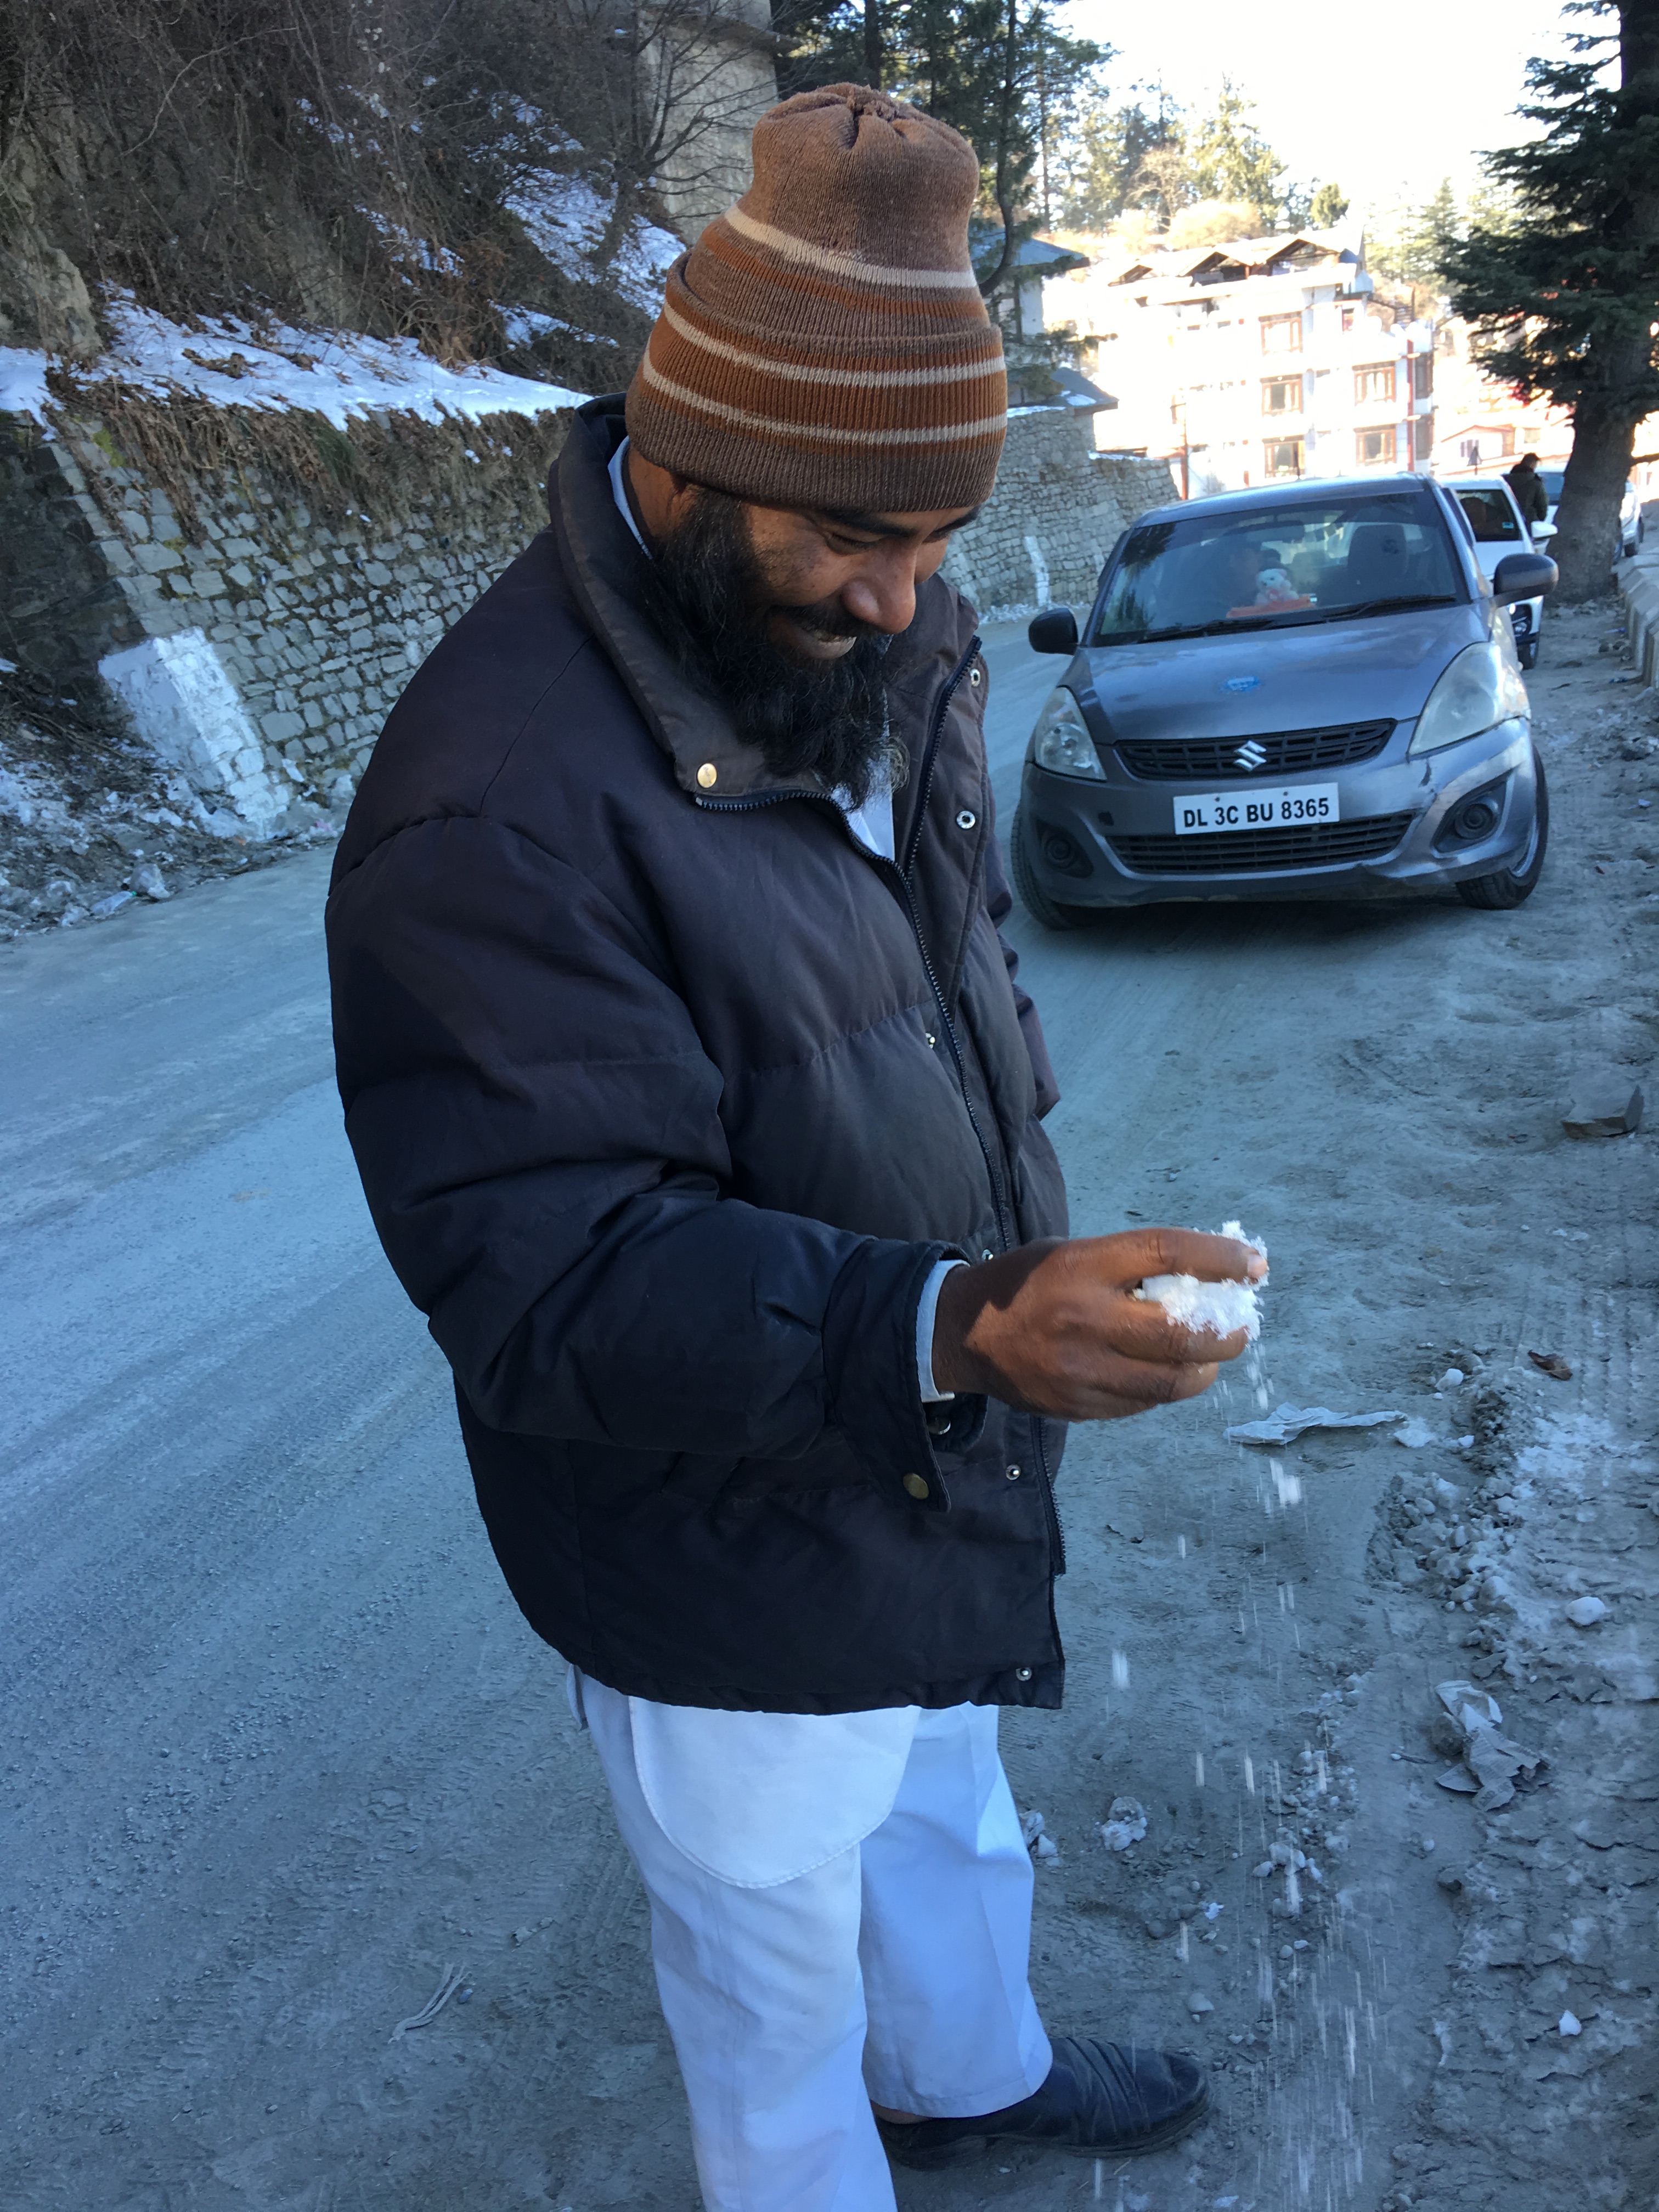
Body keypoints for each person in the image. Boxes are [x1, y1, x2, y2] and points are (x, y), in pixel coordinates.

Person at [326, 83, 1263, 2212]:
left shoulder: (876, 620)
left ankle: (970, 2075)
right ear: (686, 460)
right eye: (856, 539)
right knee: (767, 1965)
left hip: (918, 1428)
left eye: (936, 539)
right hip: (712, 1525)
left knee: (943, 1809)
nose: (904, 600)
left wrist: (1003, 1155)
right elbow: (551, 1282)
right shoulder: (494, 802)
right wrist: (954, 1320)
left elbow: (950, 937)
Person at [1506, 450, 1550, 527]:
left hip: (1507, 521)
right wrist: (1537, 521)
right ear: (1532, 464)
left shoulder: (1505, 481)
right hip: (1529, 522)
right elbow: (1542, 506)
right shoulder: (1535, 482)